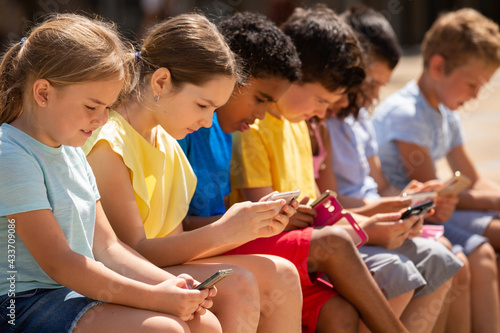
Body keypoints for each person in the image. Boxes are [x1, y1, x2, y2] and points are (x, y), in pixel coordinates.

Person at [179, 11, 410, 333]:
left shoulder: (229, 127)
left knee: (339, 311)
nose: (260, 114)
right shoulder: (193, 128)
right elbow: (178, 230)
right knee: (334, 245)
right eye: (259, 99)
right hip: (208, 248)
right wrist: (250, 220)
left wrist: (262, 218)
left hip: (225, 240)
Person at [0, 13, 222, 333]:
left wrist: (172, 285)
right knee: (165, 329)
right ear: (43, 93)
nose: (102, 120)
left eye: (108, 107)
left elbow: (108, 248)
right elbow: (60, 263)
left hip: (70, 293)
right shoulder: (11, 155)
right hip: (19, 304)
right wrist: (154, 298)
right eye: (92, 107)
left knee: (206, 324)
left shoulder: (74, 151)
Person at [83, 13, 303, 332]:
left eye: (215, 109)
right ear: (160, 82)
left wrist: (252, 226)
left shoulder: (166, 142)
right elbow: (131, 252)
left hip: (155, 270)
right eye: (203, 106)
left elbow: (175, 247)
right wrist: (226, 230)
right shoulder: (109, 144)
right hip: (120, 281)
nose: (208, 122)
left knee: (281, 273)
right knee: (239, 285)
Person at [373, 8, 500, 332]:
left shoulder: (445, 110)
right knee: (483, 254)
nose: (475, 95)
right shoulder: (407, 113)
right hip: (423, 214)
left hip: (440, 210)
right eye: (472, 84)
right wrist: (495, 202)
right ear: (439, 66)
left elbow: (472, 177)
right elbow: (434, 195)